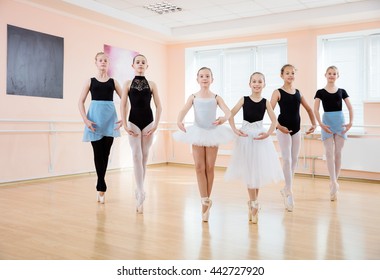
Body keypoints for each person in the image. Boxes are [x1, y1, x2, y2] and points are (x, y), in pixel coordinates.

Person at [173, 67, 233, 222]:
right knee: (199, 167)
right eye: (201, 76)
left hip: (213, 132)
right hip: (198, 132)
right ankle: (204, 201)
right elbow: (183, 110)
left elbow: (228, 112)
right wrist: (179, 120)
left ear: (212, 79)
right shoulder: (193, 97)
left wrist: (223, 119)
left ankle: (208, 199)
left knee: (210, 167)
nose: (204, 78)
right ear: (197, 79)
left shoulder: (216, 97)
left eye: (207, 76)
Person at [225, 72, 284, 224]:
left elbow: (274, 120)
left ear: (264, 84)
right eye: (254, 81)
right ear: (249, 84)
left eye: (260, 81)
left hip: (259, 138)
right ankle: (254, 204)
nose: (257, 84)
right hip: (245, 137)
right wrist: (235, 129)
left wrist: (268, 134)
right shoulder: (244, 100)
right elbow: (230, 114)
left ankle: (253, 203)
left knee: (256, 172)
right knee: (250, 171)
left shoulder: (265, 102)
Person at [270, 64, 316, 212]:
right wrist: (278, 126)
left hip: (296, 130)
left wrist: (314, 124)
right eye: (287, 73)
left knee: (294, 160)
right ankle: (289, 193)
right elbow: (269, 111)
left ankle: (286, 188)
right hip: (283, 129)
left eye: (292, 73)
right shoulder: (277, 92)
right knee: (287, 159)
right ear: (282, 75)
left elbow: (309, 109)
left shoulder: (298, 92)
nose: (290, 75)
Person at [78, 52, 122, 204]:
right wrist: (86, 120)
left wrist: (123, 117)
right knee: (97, 153)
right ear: (96, 62)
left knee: (106, 154)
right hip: (94, 121)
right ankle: (101, 184)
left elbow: (125, 100)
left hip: (110, 121)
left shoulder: (113, 82)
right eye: (100, 60)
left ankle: (100, 182)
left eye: (105, 60)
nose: (103, 62)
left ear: (108, 64)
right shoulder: (90, 81)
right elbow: (80, 102)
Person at [120, 54, 162, 214]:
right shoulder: (127, 84)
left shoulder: (152, 84)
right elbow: (123, 105)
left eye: (143, 62)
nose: (140, 64)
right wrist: (124, 123)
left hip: (149, 122)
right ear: (133, 66)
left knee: (144, 156)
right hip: (133, 121)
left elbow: (159, 106)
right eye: (137, 62)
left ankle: (139, 189)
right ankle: (140, 191)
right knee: (136, 155)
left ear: (147, 66)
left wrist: (156, 125)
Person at [314, 66, 353, 201]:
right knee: (329, 153)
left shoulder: (342, 91)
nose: (331, 75)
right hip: (327, 123)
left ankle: (335, 182)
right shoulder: (320, 92)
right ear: (325, 75)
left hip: (340, 122)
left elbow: (350, 107)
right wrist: (320, 124)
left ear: (338, 75)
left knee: (338, 153)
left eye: (334, 73)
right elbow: (316, 110)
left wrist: (350, 122)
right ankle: (332, 182)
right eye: (329, 73)